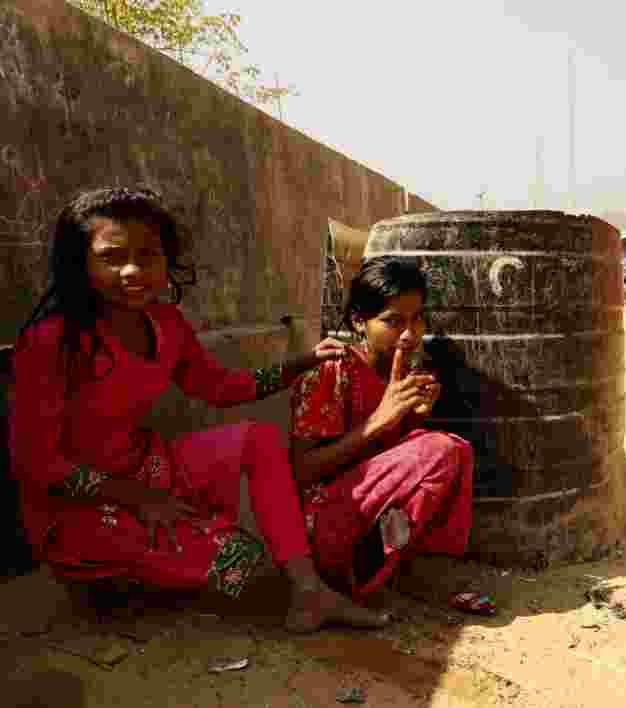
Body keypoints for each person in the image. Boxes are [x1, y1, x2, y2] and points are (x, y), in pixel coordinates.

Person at [10, 186, 387, 633]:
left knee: (259, 438)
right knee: (238, 562)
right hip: (78, 507)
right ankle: (100, 578)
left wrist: (302, 362)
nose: (133, 270)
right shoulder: (53, 342)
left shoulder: (167, 324)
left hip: (147, 468)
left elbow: (220, 388)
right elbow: (35, 462)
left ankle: (310, 593)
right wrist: (138, 498)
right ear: (81, 263)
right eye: (112, 257)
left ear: (167, 259)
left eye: (148, 254)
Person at [289, 256, 474, 603]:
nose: (409, 333)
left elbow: (386, 462)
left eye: (417, 318)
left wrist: (414, 417)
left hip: (359, 511)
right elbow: (300, 471)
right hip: (321, 526)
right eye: (392, 321)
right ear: (360, 322)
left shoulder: (399, 370)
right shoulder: (332, 371)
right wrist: (379, 420)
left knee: (454, 450)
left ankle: (396, 566)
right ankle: (354, 573)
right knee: (439, 449)